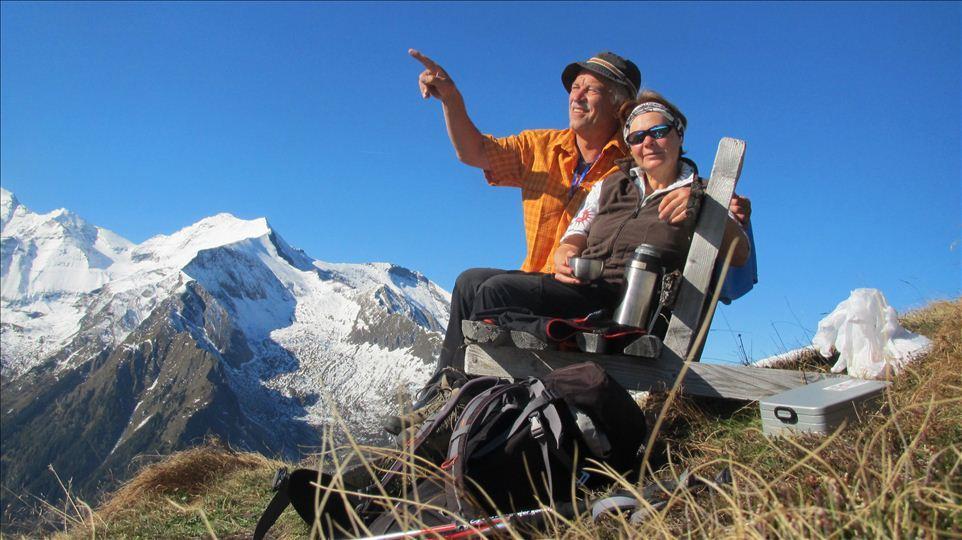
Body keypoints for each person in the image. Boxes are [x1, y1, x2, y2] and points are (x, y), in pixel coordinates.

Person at [409, 49, 755, 373]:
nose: (577, 96)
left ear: (620, 106)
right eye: (575, 88)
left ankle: (470, 399)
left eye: (592, 89)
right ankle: (449, 389)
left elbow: (734, 255)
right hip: (545, 278)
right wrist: (451, 100)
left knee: (494, 291)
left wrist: (714, 208)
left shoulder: (644, 169)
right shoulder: (554, 153)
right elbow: (476, 153)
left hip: (603, 297)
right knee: (470, 282)